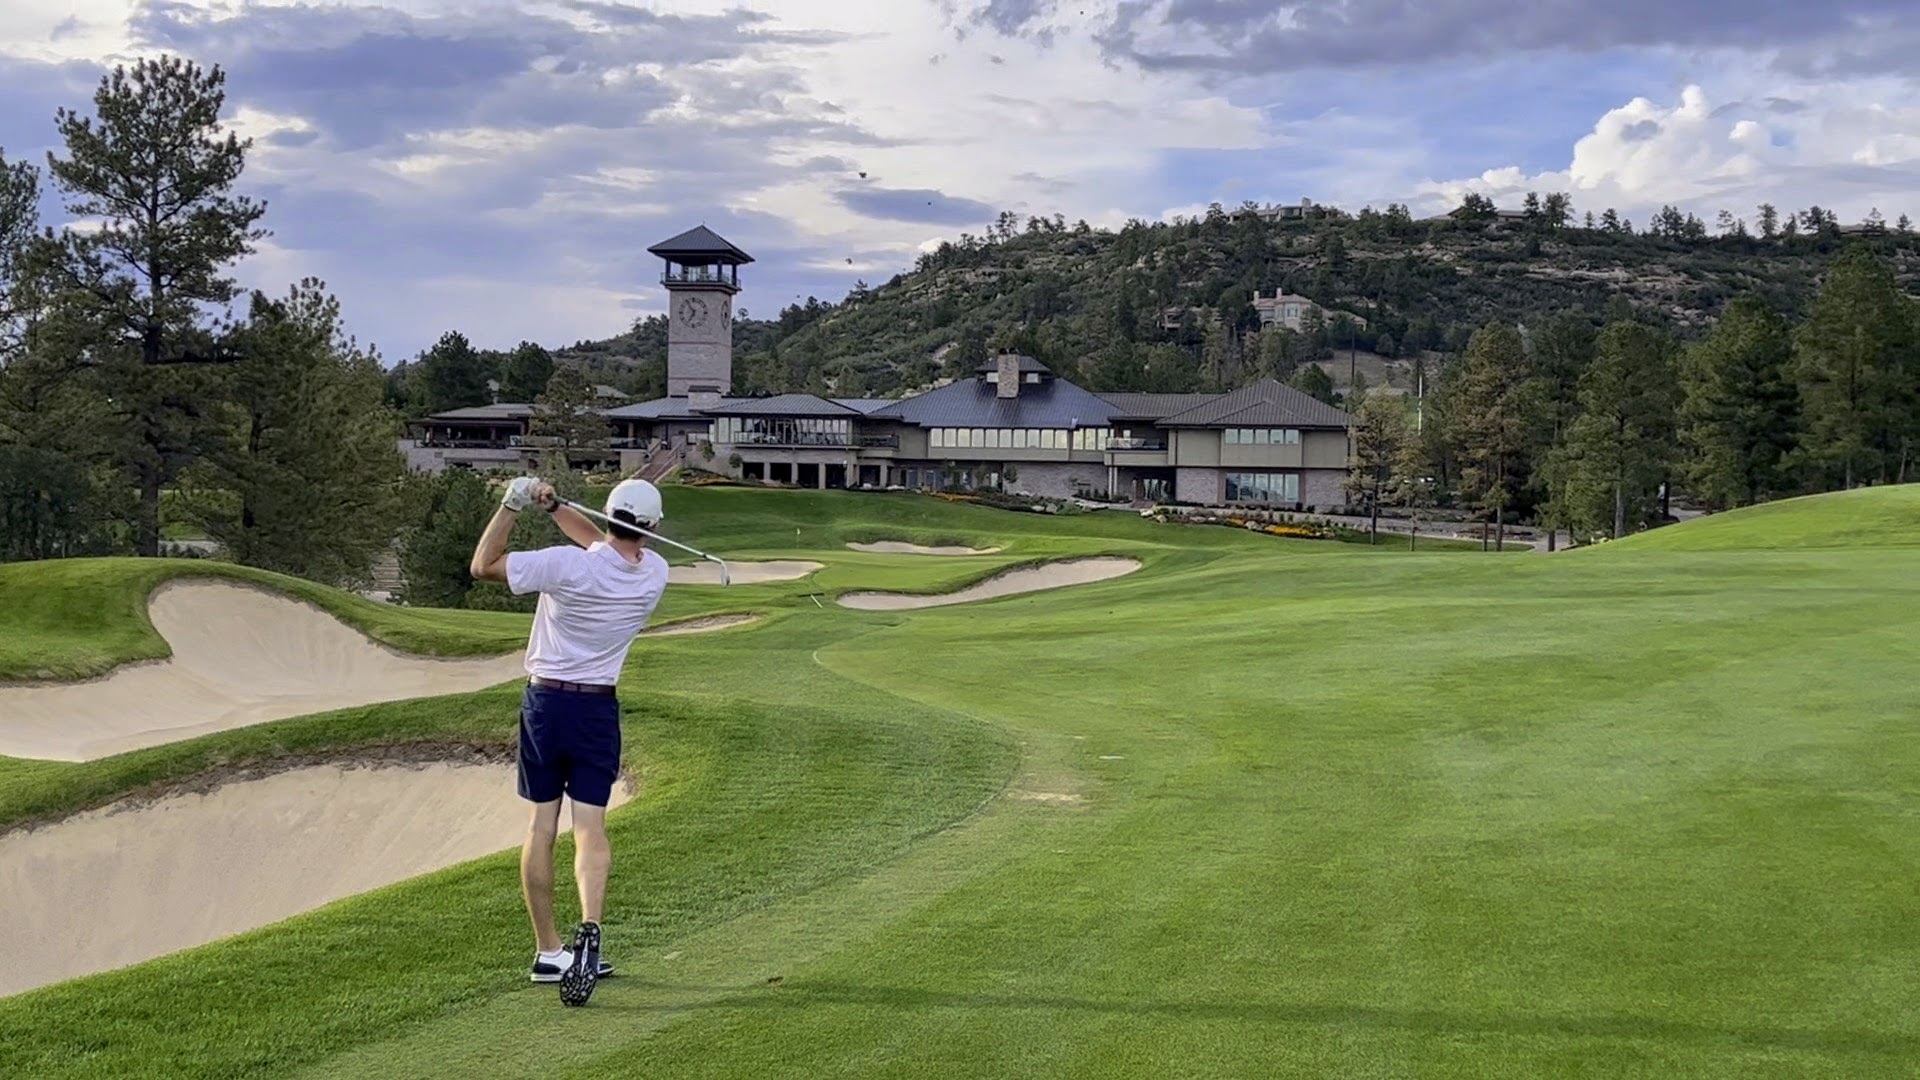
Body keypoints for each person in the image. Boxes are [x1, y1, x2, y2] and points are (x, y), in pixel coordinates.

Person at [469, 475, 669, 1006]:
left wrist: (511, 505)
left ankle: (549, 950)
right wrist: (557, 507)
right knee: (590, 827)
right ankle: (591, 928)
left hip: (546, 705)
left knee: (541, 825)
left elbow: (484, 565)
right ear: (653, 530)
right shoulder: (655, 574)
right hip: (597, 708)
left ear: (606, 516)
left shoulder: (565, 565)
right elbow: (605, 546)